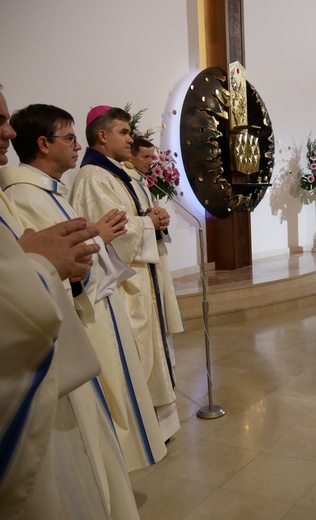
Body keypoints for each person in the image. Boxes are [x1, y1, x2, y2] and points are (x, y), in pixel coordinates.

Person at [1, 103, 168, 471]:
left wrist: (111, 236)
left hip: (98, 301)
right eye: (70, 138)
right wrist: (104, 238)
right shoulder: (25, 196)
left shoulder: (52, 192)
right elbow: (51, 270)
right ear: (44, 144)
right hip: (78, 317)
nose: (78, 146)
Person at [70, 106, 180, 441]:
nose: (130, 138)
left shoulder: (118, 173)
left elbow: (129, 217)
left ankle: (157, 423)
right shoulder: (93, 177)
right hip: (123, 285)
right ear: (102, 135)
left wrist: (151, 215)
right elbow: (112, 232)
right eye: (124, 132)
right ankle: (141, 429)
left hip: (140, 278)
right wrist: (149, 223)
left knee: (149, 350)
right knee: (135, 353)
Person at [125, 138, 185, 365]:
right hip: (138, 263)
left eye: (153, 157)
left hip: (154, 254)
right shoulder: (126, 182)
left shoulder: (141, 182)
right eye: (146, 157)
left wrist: (161, 220)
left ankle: (166, 361)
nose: (151, 163)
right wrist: (150, 222)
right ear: (131, 157)